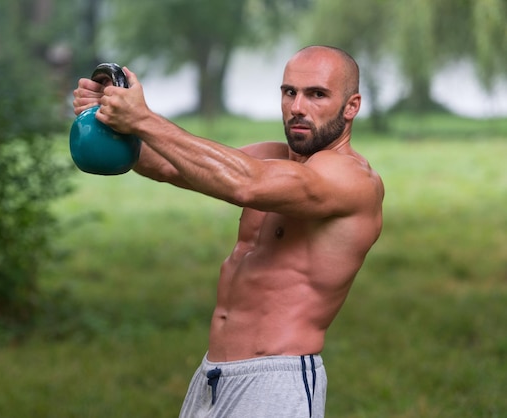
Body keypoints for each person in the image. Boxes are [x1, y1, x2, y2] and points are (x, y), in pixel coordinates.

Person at [72, 45, 384, 418]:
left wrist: (143, 120)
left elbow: (245, 184)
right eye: (289, 92)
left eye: (317, 94)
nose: (298, 107)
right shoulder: (270, 156)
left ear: (351, 106)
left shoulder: (351, 179)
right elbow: (171, 166)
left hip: (276, 380)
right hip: (214, 375)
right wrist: (107, 117)